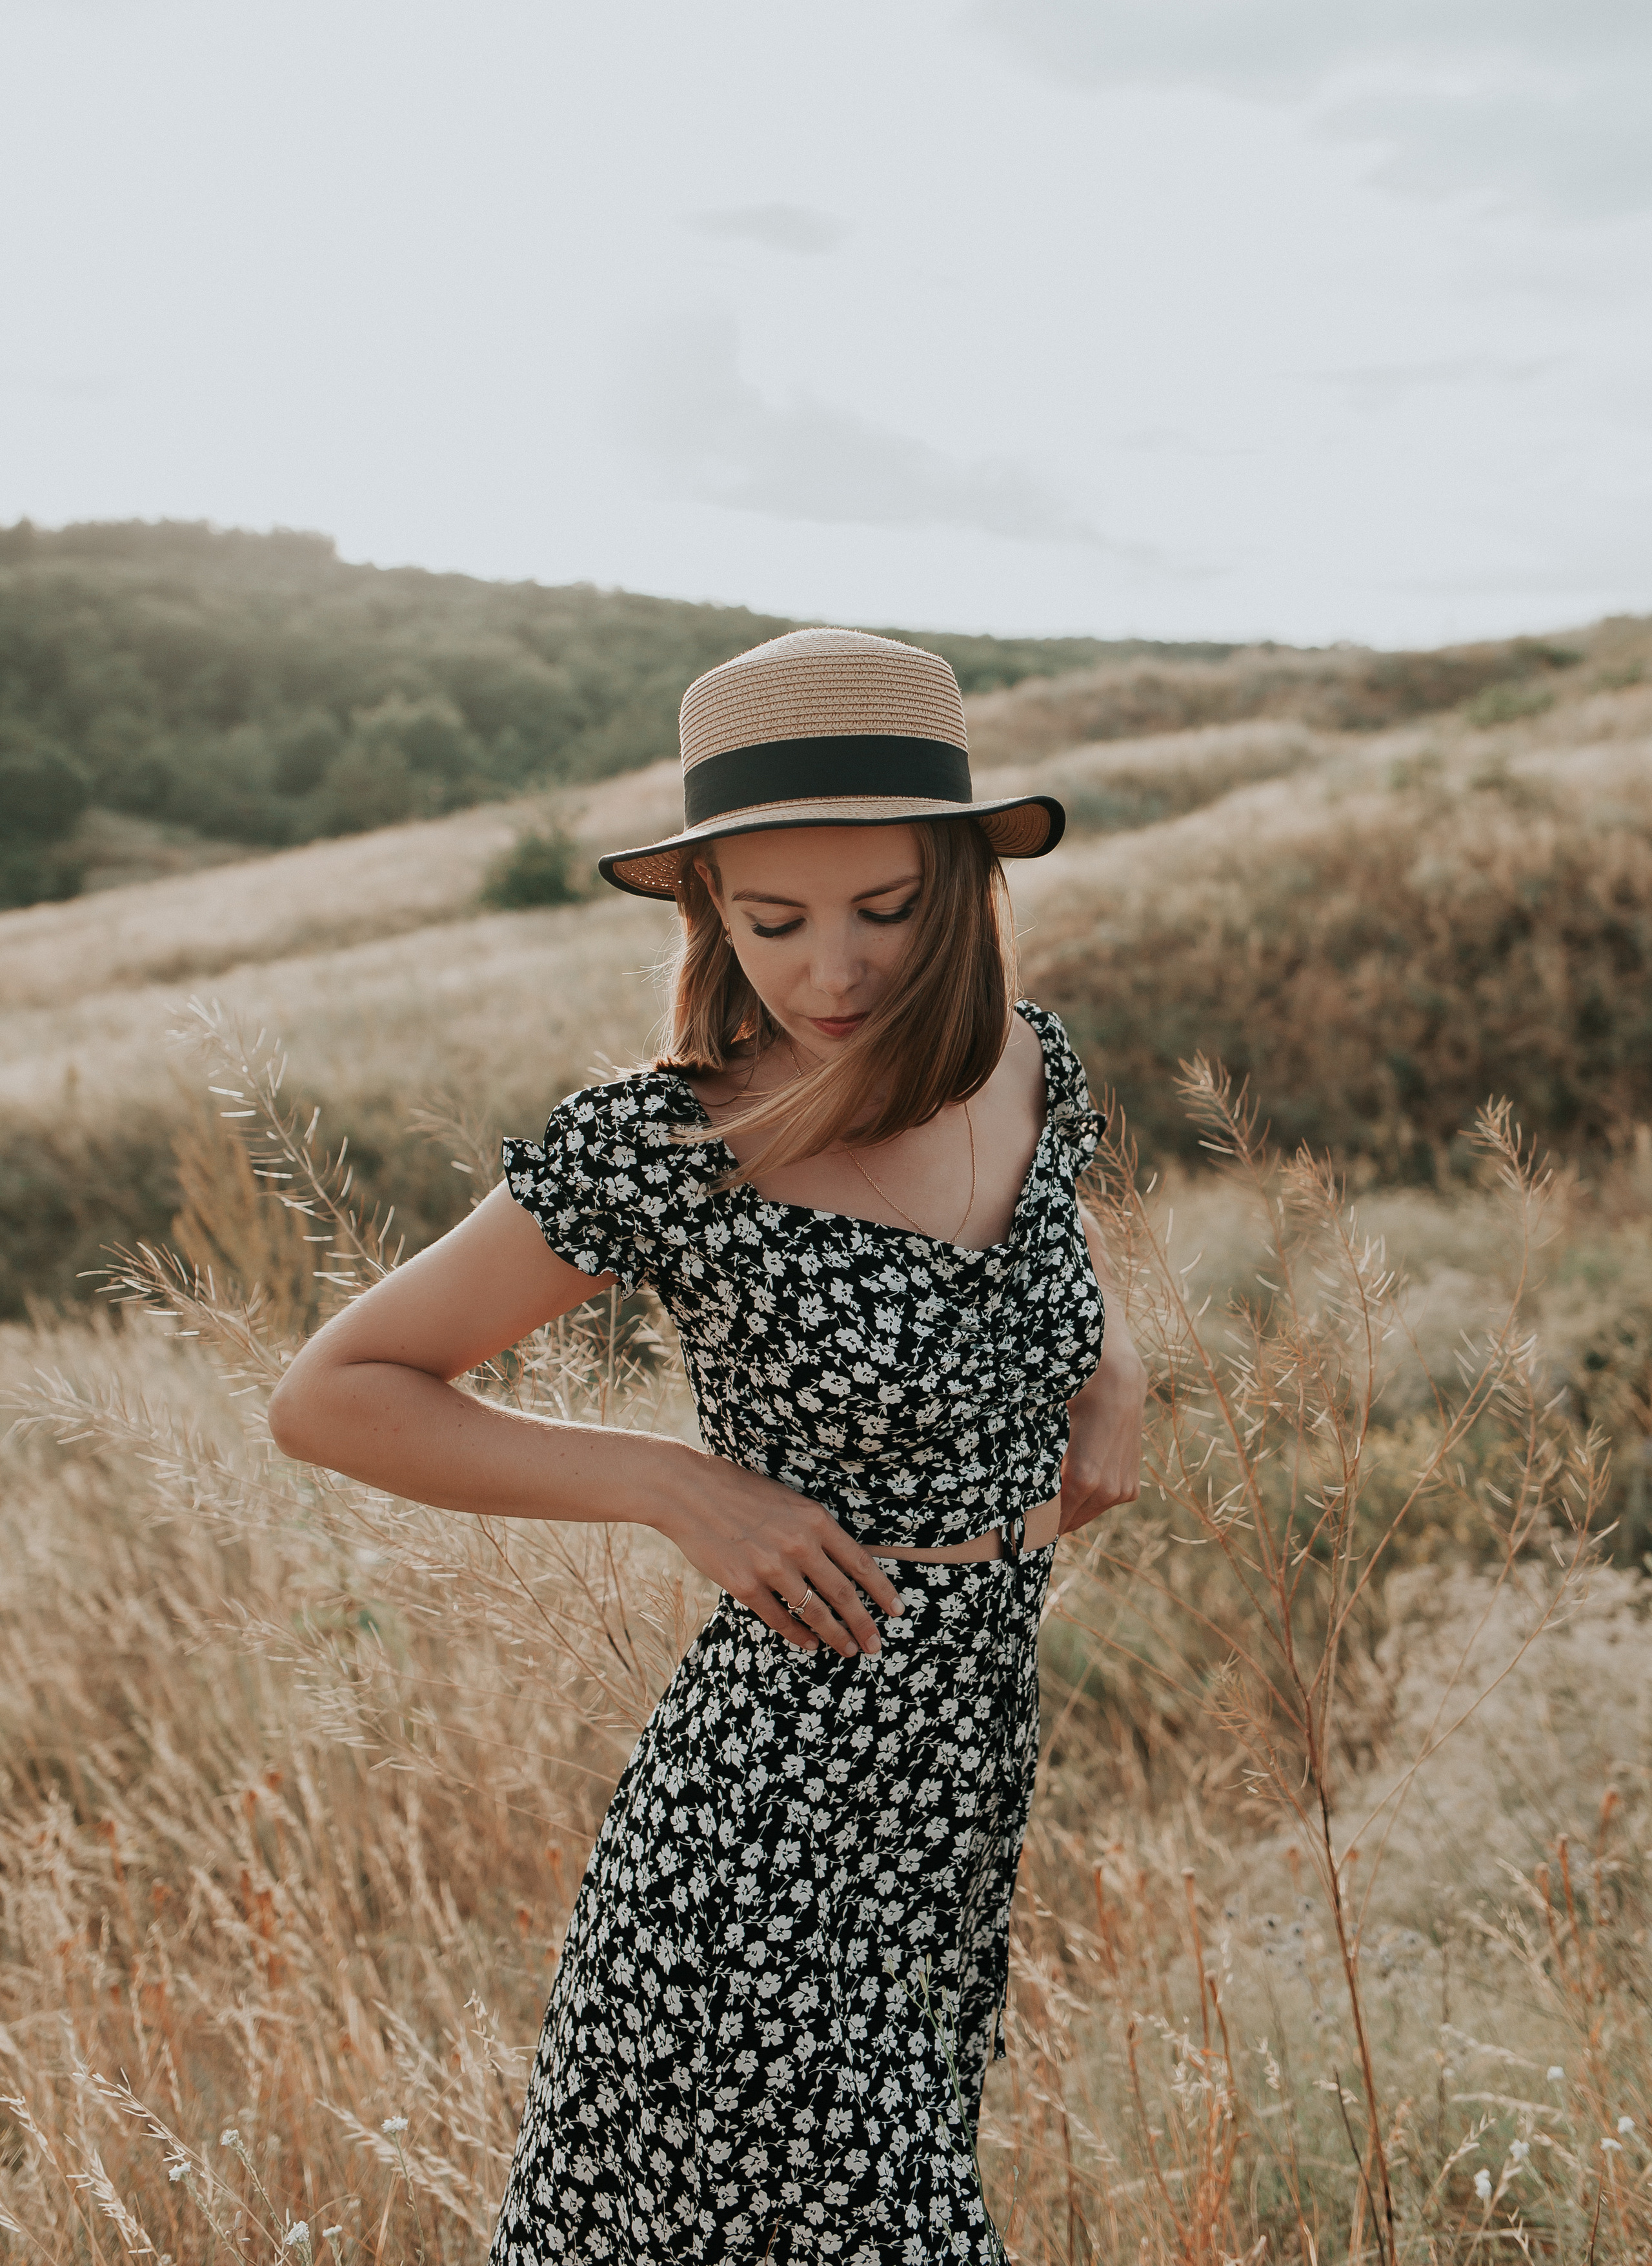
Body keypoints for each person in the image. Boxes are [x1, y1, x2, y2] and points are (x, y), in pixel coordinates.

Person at [268, 627, 1145, 2265]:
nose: (830, 973)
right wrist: (670, 1485)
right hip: (763, 1830)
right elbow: (333, 1392)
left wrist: (1112, 1370)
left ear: (960, 888)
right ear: (707, 913)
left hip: (951, 1795)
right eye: (772, 920)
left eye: (883, 911)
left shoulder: (1038, 1068)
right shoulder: (668, 1144)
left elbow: (1048, 1262)